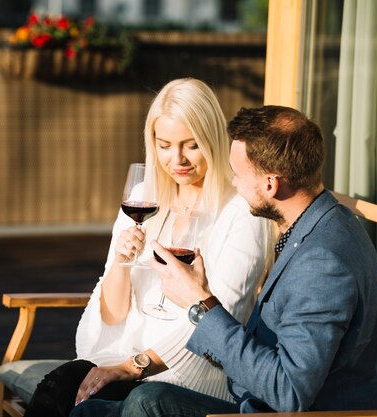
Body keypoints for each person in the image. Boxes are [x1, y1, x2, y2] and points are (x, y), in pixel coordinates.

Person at [70, 105, 377, 416]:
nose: (233, 184)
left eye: (237, 175)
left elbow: (288, 393)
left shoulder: (322, 263)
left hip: (280, 410)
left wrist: (201, 303)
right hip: (251, 401)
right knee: (107, 407)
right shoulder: (323, 221)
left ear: (270, 184)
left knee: (143, 402)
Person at [23, 79, 275, 417]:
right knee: (60, 386)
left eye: (191, 145)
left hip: (190, 371)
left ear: (213, 140)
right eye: (165, 145)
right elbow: (112, 314)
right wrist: (120, 262)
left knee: (83, 400)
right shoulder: (145, 195)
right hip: (130, 356)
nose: (178, 159)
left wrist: (133, 366)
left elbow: (220, 317)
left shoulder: (241, 212)